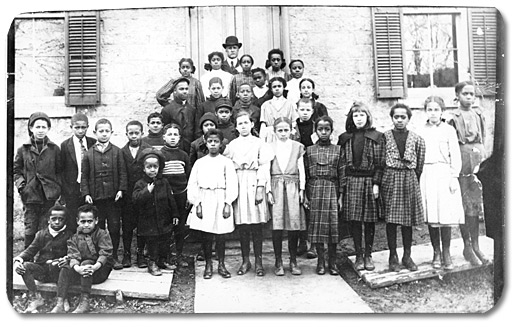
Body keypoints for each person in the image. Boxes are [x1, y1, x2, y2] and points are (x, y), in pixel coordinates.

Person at [223, 110, 273, 276]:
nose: (243, 126)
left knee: (256, 225)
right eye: (240, 124)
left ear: (252, 124)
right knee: (243, 225)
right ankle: (246, 261)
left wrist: (260, 188)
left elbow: (264, 167)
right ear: (236, 127)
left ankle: (259, 261)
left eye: (246, 123)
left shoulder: (259, 144)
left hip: (254, 181)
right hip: (239, 182)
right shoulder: (232, 146)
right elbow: (228, 168)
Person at [338, 102, 384, 271]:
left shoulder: (376, 137)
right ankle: (358, 254)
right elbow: (341, 163)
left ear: (368, 117)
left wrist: (376, 183)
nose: (358, 119)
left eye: (362, 115)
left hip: (368, 181)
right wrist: (342, 188)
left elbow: (380, 163)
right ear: (351, 118)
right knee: (355, 220)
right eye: (355, 116)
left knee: (369, 220)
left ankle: (368, 254)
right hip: (351, 181)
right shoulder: (345, 138)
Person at [419, 96, 464, 270]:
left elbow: (455, 154)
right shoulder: (421, 130)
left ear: (442, 111)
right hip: (427, 173)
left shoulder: (448, 130)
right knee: (432, 216)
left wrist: (454, 176)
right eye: (430, 109)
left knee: (445, 215)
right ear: (425, 112)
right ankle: (436, 252)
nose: (433, 113)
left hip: (445, 173)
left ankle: (446, 252)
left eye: (436, 109)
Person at [447, 81, 490, 266]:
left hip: (478, 160)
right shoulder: (452, 117)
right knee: (464, 206)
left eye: (472, 94)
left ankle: (477, 245)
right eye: (465, 94)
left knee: (475, 206)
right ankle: (467, 246)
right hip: (462, 161)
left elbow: (484, 137)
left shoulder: (479, 113)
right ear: (458, 96)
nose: (469, 97)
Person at [187, 129, 239, 279]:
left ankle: (221, 264)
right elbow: (193, 184)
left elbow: (232, 184)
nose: (213, 144)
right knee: (206, 234)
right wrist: (197, 203)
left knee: (221, 234)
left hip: (221, 198)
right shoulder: (200, 162)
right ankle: (208, 264)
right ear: (205, 142)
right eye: (210, 142)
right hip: (204, 198)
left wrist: (228, 203)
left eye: (216, 142)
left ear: (221, 143)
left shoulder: (226, 162)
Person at [381, 103, 426, 272]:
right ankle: (393, 255)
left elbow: (419, 164)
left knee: (407, 220)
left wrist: (413, 178)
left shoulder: (417, 139)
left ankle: (407, 255)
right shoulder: (384, 137)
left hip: (409, 179)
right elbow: (380, 159)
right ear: (392, 118)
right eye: (396, 117)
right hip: (391, 178)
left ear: (408, 119)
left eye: (403, 117)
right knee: (391, 220)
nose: (399, 120)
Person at [81, 118, 127, 270]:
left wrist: (121, 189)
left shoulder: (117, 152)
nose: (104, 134)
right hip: (96, 198)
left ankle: (113, 256)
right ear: (95, 133)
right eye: (101, 131)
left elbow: (122, 172)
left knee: (114, 228)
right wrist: (86, 193)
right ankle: (99, 257)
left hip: (113, 198)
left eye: (107, 131)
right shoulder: (88, 154)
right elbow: (84, 176)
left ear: (111, 133)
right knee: (98, 228)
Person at [14, 111, 62, 250]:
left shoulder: (54, 149)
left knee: (46, 226)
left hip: (49, 195)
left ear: (48, 129)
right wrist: (22, 186)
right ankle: (27, 259)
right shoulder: (23, 149)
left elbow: (59, 171)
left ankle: (44, 256)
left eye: (44, 127)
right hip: (30, 195)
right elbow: (16, 170)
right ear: (31, 128)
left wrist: (56, 188)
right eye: (37, 127)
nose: (40, 130)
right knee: (30, 227)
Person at [53, 204, 114, 313]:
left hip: (99, 271)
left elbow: (105, 254)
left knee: (86, 262)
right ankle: (60, 302)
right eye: (83, 221)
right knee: (65, 266)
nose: (86, 225)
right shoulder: (74, 238)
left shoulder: (102, 234)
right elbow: (73, 255)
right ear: (77, 221)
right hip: (82, 271)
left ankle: (84, 301)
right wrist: (76, 268)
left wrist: (95, 267)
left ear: (96, 220)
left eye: (89, 221)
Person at [13, 204, 73, 313]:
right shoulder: (41, 234)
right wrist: (18, 261)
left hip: (59, 271)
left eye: (61, 219)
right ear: (48, 220)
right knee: (25, 266)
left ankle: (61, 300)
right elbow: (30, 251)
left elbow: (73, 253)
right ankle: (36, 297)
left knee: (66, 267)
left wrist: (66, 259)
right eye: (54, 219)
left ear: (66, 221)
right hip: (43, 271)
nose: (57, 222)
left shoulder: (70, 235)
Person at [267, 117, 306, 276]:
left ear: (291, 130)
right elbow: (266, 169)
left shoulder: (297, 147)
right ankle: (278, 261)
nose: (283, 134)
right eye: (280, 131)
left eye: (286, 130)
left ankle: (293, 260)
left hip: (292, 186)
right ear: (275, 132)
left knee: (293, 224)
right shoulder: (269, 147)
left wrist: (302, 189)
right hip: (276, 185)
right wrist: (269, 190)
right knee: (277, 225)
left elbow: (301, 169)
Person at [304, 116, 342, 275]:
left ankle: (332, 262)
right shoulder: (309, 150)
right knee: (317, 227)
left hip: (332, 189)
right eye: (320, 129)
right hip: (315, 189)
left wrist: (341, 196)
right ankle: (320, 261)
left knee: (332, 227)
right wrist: (306, 195)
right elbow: (305, 175)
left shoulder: (338, 150)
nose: (324, 132)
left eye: (327, 129)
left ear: (331, 131)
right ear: (316, 131)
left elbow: (342, 175)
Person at [133, 149, 179, 275]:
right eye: (149, 167)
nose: (152, 170)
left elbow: (171, 199)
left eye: (155, 167)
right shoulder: (140, 184)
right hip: (149, 222)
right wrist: (147, 191)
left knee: (165, 240)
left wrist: (174, 214)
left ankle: (162, 260)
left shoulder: (164, 182)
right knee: (152, 243)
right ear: (143, 169)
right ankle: (152, 262)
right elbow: (136, 200)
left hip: (164, 219)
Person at [121, 120, 152, 268]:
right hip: (127, 196)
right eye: (131, 133)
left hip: (143, 194)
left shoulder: (148, 149)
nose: (134, 136)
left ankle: (140, 255)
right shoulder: (122, 151)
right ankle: (126, 254)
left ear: (142, 133)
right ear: (126, 134)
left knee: (143, 225)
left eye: (136, 133)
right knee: (127, 226)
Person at [160, 123, 192, 268]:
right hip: (166, 198)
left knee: (180, 228)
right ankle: (165, 256)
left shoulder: (183, 155)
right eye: (169, 134)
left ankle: (178, 255)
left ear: (179, 138)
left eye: (175, 135)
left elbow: (189, 176)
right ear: (164, 137)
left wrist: (187, 195)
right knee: (166, 228)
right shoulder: (160, 155)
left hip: (181, 196)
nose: (172, 138)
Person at [60, 112, 96, 233]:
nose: (80, 130)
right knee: (72, 219)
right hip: (72, 188)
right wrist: (66, 190)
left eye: (83, 127)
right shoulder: (65, 145)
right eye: (77, 127)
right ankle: (74, 247)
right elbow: (62, 170)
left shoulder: (93, 143)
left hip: (90, 188)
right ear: (71, 128)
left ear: (87, 127)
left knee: (90, 217)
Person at [293, 97, 317, 259]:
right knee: (299, 205)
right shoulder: (293, 127)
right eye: (302, 109)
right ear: (297, 110)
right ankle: (302, 241)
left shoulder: (316, 127)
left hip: (313, 166)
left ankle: (313, 244)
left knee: (312, 205)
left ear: (312, 111)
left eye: (308, 110)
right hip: (297, 167)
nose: (305, 113)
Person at [160, 77, 197, 154]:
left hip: (190, 148)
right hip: (174, 148)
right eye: (181, 89)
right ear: (175, 91)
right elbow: (164, 131)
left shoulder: (192, 109)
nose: (185, 91)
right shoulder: (167, 110)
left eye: (186, 89)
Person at [259, 77, 298, 143]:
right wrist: (262, 138)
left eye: (279, 86)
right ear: (271, 89)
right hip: (270, 135)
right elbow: (263, 123)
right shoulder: (265, 105)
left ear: (283, 88)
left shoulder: (290, 104)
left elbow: (294, 122)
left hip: (285, 134)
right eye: (274, 87)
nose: (277, 88)